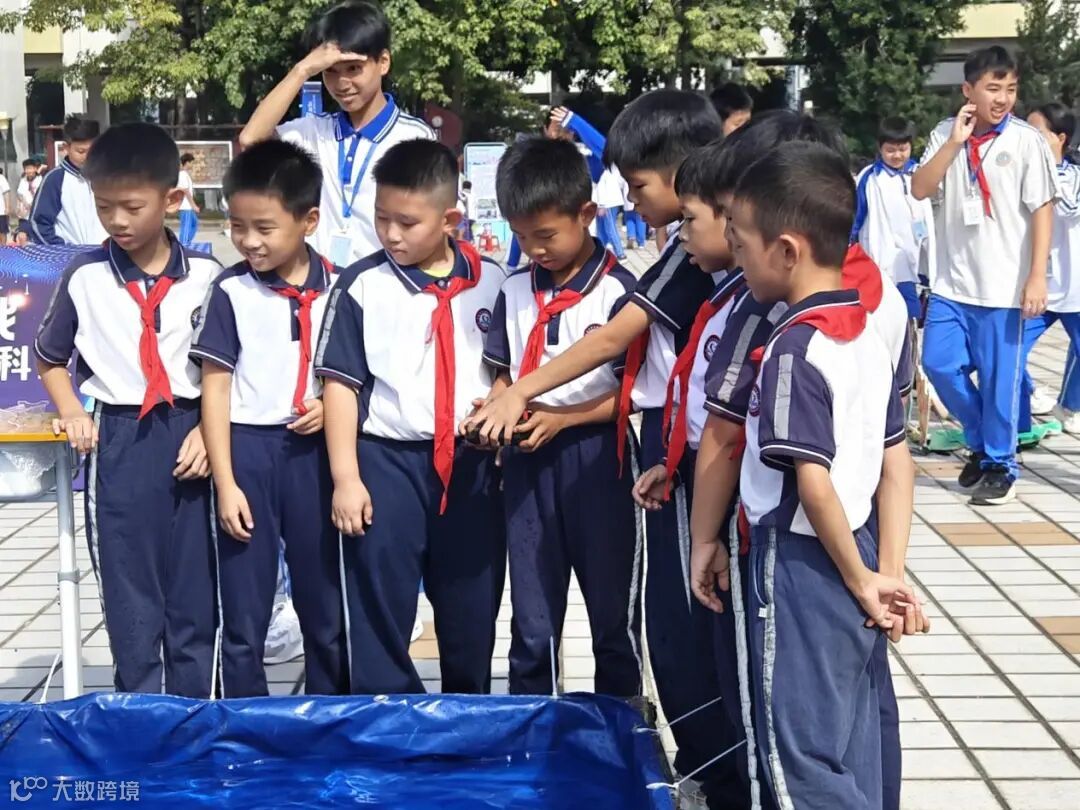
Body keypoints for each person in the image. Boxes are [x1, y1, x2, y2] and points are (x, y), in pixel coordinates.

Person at [729, 139, 915, 810]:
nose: (737, 258)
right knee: (851, 737)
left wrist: (862, 579)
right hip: (857, 545)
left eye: (741, 243)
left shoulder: (792, 349)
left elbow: (812, 483)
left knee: (799, 757)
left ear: (786, 250)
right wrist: (884, 571)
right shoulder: (865, 333)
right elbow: (897, 462)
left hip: (802, 561)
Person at [314, 138, 506, 695]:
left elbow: (509, 369)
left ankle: (465, 716)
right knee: (379, 604)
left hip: (471, 465)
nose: (391, 234)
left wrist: (498, 403)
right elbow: (341, 386)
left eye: (407, 222)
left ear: (450, 220)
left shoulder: (493, 281)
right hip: (386, 463)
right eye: (382, 218)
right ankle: (388, 719)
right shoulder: (361, 285)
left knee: (471, 606)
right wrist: (346, 478)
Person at [34, 122, 219, 697]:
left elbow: (225, 371)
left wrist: (210, 434)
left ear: (171, 199)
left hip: (194, 435)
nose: (117, 220)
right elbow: (50, 357)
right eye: (103, 206)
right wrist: (72, 410)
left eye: (132, 207)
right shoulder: (85, 276)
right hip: (119, 439)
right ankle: (138, 711)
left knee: (195, 589)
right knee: (129, 589)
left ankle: (193, 712)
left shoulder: (208, 276)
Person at [476, 136, 640, 697]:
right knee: (532, 620)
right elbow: (503, 373)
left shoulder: (619, 292)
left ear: (587, 214)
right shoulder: (514, 288)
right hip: (527, 466)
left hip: (598, 463)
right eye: (522, 237)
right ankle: (534, 725)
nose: (535, 249)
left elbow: (635, 394)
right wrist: (496, 409)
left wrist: (565, 418)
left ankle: (619, 722)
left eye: (546, 235)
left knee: (611, 613)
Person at [190, 139, 349, 698]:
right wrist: (226, 481)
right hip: (248, 455)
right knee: (245, 607)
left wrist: (329, 405)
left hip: (316, 456)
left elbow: (358, 377)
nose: (249, 241)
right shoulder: (230, 291)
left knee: (324, 603)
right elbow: (216, 388)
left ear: (309, 221)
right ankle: (244, 722)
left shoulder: (343, 287)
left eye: (264, 228)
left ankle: (328, 714)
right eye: (237, 227)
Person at [629, 138, 760, 808]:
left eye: (690, 218)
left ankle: (725, 777)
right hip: (686, 470)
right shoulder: (722, 294)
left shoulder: (752, 307)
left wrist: (706, 533)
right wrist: (670, 462)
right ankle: (711, 770)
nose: (681, 234)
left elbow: (726, 430)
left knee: (717, 646)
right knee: (680, 632)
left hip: (738, 507)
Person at [913, 46, 1058, 505]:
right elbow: (920, 188)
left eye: (1010, 89)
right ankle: (980, 439)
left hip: (1004, 289)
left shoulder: (1026, 141)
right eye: (993, 88)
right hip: (952, 284)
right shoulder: (945, 134)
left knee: (999, 382)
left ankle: (1000, 464)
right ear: (968, 90)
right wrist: (954, 143)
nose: (1003, 99)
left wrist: (1037, 276)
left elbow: (1043, 209)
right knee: (938, 363)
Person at [240, 0, 434, 267]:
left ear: (383, 62)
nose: (342, 83)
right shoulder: (314, 131)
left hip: (386, 280)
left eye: (353, 69)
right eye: (330, 71)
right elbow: (251, 140)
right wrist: (302, 70)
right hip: (322, 284)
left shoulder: (413, 137)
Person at [1017, 103, 1080, 437]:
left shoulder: (1075, 177)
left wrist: (1047, 173)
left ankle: (1068, 406)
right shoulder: (1020, 174)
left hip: (1072, 285)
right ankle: (1021, 414)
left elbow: (1068, 208)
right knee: (1011, 352)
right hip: (1035, 285)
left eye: (1037, 133)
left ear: (1060, 138)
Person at [852, 117, 936, 321]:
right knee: (896, 306)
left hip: (914, 252)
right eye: (890, 150)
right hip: (885, 255)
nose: (897, 155)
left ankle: (910, 334)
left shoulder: (919, 173)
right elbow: (856, 214)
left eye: (903, 149)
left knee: (914, 303)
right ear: (880, 148)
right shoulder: (871, 178)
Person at [30, 116, 109, 246]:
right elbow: (39, 224)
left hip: (106, 253)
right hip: (70, 255)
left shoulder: (108, 176)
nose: (87, 157)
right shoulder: (55, 179)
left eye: (92, 150)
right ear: (66, 148)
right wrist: (64, 250)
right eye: (81, 151)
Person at [177, 152, 200, 247]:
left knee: (194, 224)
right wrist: (193, 205)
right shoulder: (182, 174)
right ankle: (183, 245)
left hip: (188, 206)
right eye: (191, 163)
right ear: (187, 162)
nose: (192, 165)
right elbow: (186, 191)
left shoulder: (185, 174)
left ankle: (185, 243)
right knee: (186, 228)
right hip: (186, 206)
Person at [16, 159, 39, 232]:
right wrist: (18, 208)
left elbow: (41, 196)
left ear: (35, 169)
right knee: (22, 235)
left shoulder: (40, 180)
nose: (28, 171)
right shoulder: (23, 181)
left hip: (36, 215)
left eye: (30, 168)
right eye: (26, 169)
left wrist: (31, 205)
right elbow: (19, 194)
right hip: (24, 216)